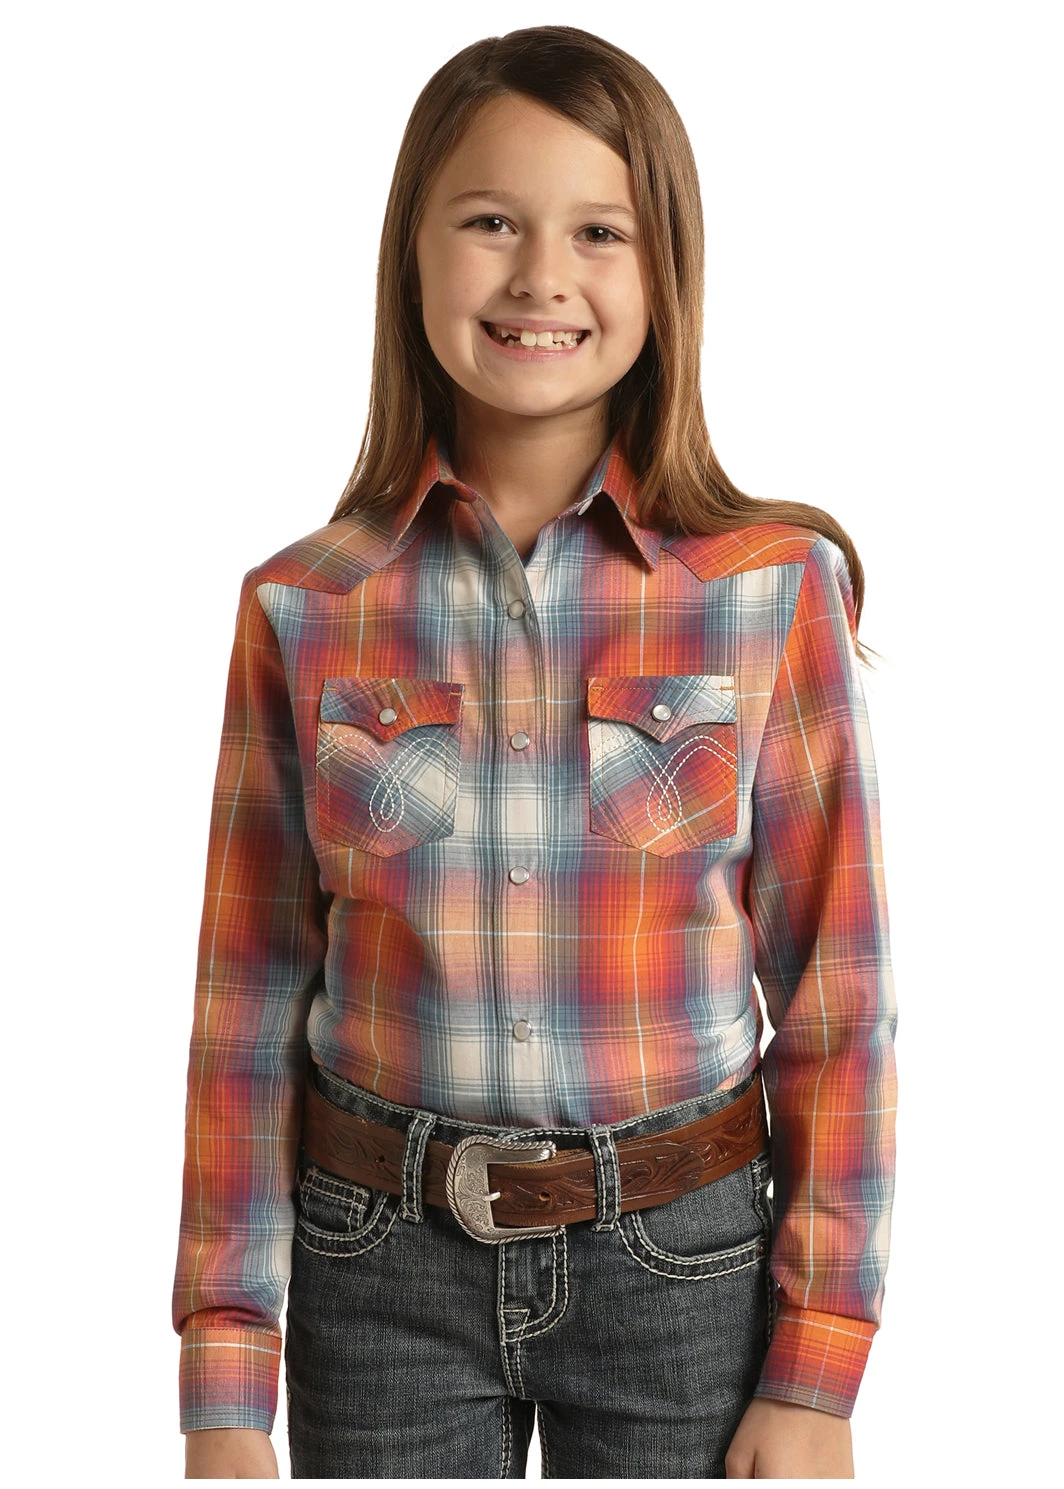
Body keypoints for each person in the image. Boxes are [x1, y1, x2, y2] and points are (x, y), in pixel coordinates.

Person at [173, 24, 897, 1481]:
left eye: (599, 231)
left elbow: (840, 988)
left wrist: (819, 1366)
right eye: (491, 222)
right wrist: (226, 1385)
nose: (540, 277)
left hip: (686, 1269)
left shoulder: (769, 592)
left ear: (667, 270)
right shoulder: (304, 606)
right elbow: (246, 1007)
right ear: (412, 253)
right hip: (374, 1267)